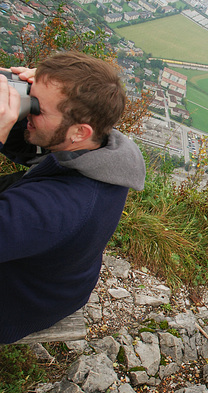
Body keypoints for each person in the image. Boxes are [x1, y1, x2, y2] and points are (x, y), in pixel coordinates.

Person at [0, 51, 146, 343]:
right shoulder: (102, 149)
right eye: (31, 97)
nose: (29, 112)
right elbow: (35, 142)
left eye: (36, 108)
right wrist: (11, 89)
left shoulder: (58, 208)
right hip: (55, 282)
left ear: (79, 131)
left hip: (15, 306)